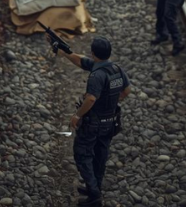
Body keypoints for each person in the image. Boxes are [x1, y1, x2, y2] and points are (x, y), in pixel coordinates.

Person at [53, 37, 130, 206]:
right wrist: (65, 52)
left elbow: (91, 99)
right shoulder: (116, 69)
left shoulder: (96, 76)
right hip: (109, 122)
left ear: (93, 53)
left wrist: (77, 115)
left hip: (93, 123)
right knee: (100, 155)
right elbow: (126, 91)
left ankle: (94, 195)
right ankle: (95, 187)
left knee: (82, 154)